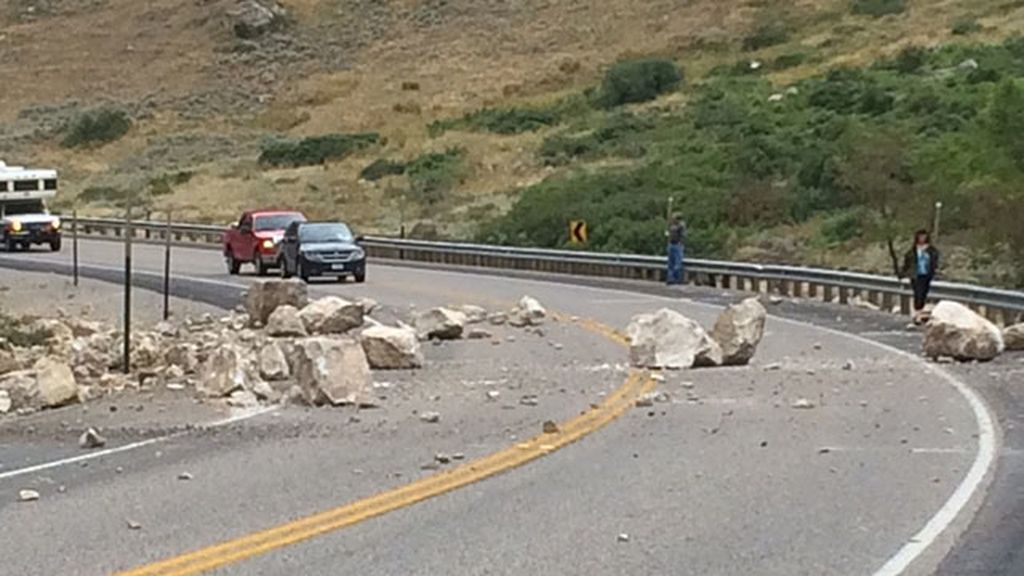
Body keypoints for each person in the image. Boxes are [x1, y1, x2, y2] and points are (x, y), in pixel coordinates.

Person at [901, 229, 940, 318]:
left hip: (926, 274)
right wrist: (904, 272)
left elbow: (935, 261)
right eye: (920, 236)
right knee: (917, 293)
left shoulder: (931, 250)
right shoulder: (913, 250)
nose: (922, 238)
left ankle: (919, 311)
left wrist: (934, 270)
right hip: (916, 275)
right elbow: (907, 262)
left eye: (924, 236)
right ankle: (917, 312)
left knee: (923, 294)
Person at [666, 214, 686, 285]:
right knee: (671, 263)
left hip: (677, 245)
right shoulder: (672, 226)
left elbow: (682, 235)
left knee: (677, 263)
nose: (673, 219)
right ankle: (670, 278)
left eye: (674, 218)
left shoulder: (680, 226)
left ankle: (676, 278)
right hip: (671, 245)